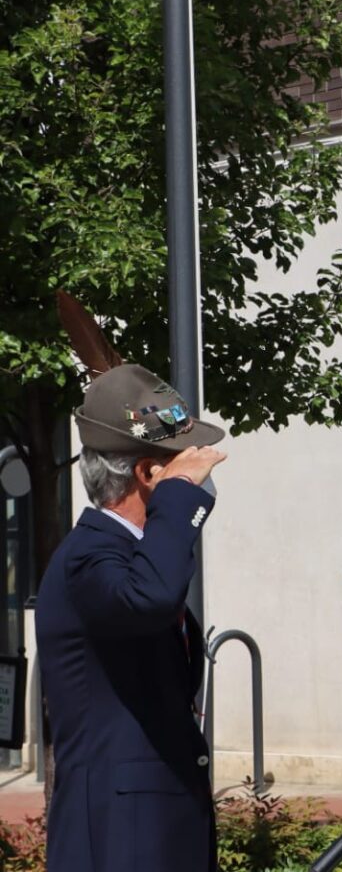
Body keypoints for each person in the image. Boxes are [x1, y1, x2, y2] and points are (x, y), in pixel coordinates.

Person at [37, 363, 228, 872]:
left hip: (153, 827)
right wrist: (179, 498)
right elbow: (149, 599)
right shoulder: (89, 557)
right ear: (148, 474)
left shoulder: (126, 554)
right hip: (120, 836)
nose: (204, 473)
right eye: (188, 465)